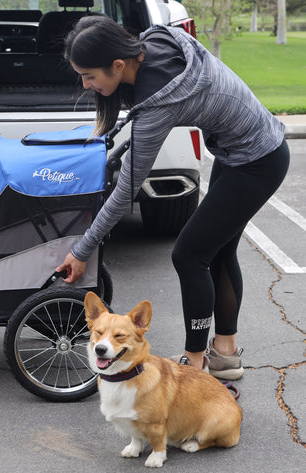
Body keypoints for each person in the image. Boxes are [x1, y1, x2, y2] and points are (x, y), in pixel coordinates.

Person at [55, 16, 290, 380]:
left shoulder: (160, 105)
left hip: (258, 161)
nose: (86, 85)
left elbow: (123, 195)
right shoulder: (155, 42)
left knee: (189, 253)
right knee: (218, 249)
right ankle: (225, 355)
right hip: (239, 151)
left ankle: (193, 365)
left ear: (118, 65)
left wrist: (81, 250)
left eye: (89, 76)